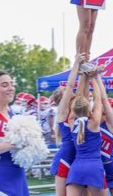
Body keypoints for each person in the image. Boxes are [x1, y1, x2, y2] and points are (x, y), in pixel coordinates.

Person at [50, 53, 85, 196]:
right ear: (62, 98)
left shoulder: (76, 109)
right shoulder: (62, 112)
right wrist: (76, 63)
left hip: (78, 158)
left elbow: (81, 90)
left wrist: (85, 73)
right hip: (65, 158)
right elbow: (70, 85)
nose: (69, 89)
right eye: (65, 91)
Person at [66, 71, 104, 195]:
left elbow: (77, 102)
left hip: (77, 167)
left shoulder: (72, 122)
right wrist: (93, 77)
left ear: (73, 110)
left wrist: (84, 78)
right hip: (94, 167)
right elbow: (99, 100)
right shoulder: (94, 123)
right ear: (89, 108)